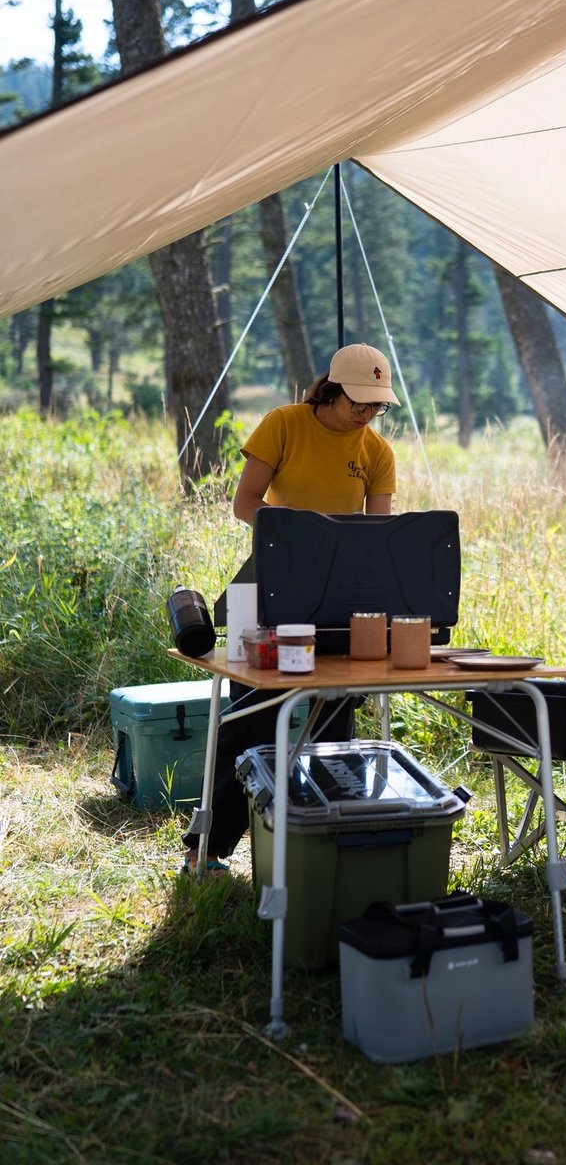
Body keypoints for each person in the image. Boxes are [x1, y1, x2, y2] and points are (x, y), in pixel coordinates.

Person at [183, 343, 400, 874]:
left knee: (334, 719)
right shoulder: (283, 424)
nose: (367, 414)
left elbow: (376, 535)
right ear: (333, 388)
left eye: (378, 406)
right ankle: (207, 848)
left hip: (337, 599)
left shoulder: (377, 453)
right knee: (250, 719)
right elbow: (245, 503)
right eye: (359, 403)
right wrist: (300, 534)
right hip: (264, 589)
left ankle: (325, 844)